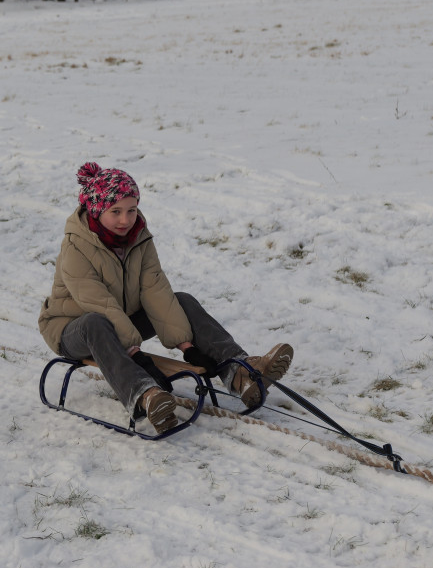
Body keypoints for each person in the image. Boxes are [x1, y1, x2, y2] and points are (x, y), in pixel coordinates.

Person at [39, 162, 294, 434]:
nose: (125, 220)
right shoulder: (76, 246)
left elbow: (155, 290)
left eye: (131, 210)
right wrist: (137, 354)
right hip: (73, 329)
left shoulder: (139, 238)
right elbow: (100, 303)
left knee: (181, 300)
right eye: (115, 212)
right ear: (96, 210)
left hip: (121, 320)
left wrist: (188, 347)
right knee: (95, 322)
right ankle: (145, 395)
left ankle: (241, 374)